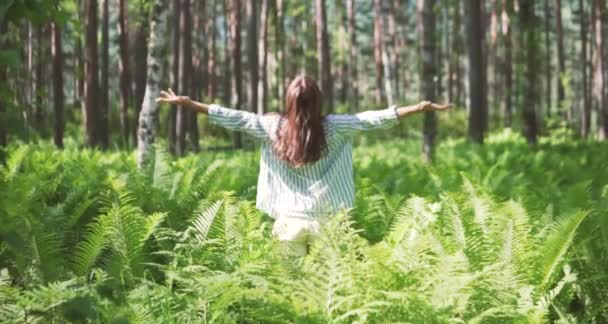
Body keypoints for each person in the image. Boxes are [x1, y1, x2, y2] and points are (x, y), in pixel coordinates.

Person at [156, 75, 450, 256]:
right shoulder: (335, 127)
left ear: (290, 102)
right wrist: (417, 108)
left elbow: (237, 117)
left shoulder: (273, 127)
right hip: (328, 223)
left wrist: (191, 104)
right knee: (324, 293)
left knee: (291, 294)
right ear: (318, 101)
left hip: (287, 224)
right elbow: (374, 119)